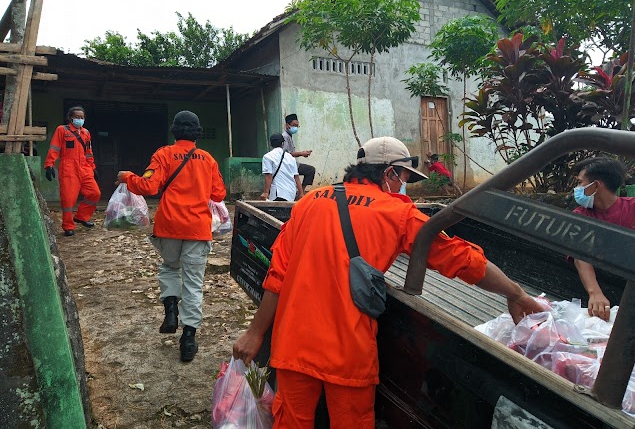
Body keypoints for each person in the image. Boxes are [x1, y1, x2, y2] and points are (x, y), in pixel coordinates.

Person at [232, 136, 544, 427]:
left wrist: (255, 333)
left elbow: (278, 276)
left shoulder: (309, 203)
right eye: (405, 177)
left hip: (293, 345)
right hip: (348, 352)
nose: (403, 185)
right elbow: (461, 258)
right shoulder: (398, 212)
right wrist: (514, 292)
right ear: (390, 173)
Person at [116, 110, 226, 362]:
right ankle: (188, 339)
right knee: (194, 283)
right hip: (197, 229)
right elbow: (219, 194)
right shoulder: (208, 159)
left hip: (169, 226)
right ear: (197, 133)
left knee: (169, 267)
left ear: (174, 130)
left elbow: (148, 185)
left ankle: (171, 311)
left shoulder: (164, 154)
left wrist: (127, 177)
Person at [571, 157, 635, 322]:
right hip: (603, 291)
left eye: (581, 183)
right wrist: (595, 293)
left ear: (596, 185)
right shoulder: (581, 216)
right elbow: (580, 256)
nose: (577, 189)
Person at [44, 106, 101, 237]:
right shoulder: (62, 130)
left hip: (85, 167)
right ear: (70, 118)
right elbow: (55, 148)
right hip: (69, 167)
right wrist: (49, 165)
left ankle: (82, 216)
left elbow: (89, 152)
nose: (80, 119)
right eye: (77, 117)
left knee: (95, 193)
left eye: (82, 117)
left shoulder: (86, 133)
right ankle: (68, 226)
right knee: (68, 199)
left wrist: (93, 167)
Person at [261, 133, 304, 201]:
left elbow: (268, 175)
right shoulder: (291, 157)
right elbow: (296, 176)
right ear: (283, 144)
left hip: (278, 192)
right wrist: (301, 193)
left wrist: (266, 192)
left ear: (270, 144)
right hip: (291, 192)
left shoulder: (268, 157)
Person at [282, 113, 316, 192]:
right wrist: (301, 153)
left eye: (297, 126)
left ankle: (301, 192)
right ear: (287, 125)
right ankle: (301, 192)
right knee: (310, 170)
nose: (296, 128)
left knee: (309, 170)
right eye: (294, 125)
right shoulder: (285, 136)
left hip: (291, 163)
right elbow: (286, 154)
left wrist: (302, 153)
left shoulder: (289, 135)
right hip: (287, 165)